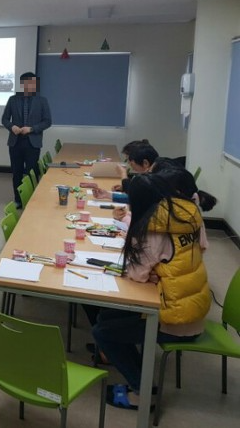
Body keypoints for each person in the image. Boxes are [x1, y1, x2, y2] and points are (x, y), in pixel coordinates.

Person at [93, 172, 210, 410]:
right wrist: (159, 272)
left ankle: (142, 392)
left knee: (102, 332)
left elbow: (137, 275)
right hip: (191, 308)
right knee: (107, 316)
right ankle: (141, 377)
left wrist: (153, 272)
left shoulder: (152, 230)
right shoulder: (185, 217)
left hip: (174, 320)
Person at [0, 72, 52, 208]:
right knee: (16, 172)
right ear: (23, 84)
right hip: (15, 142)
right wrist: (12, 127)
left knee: (31, 172)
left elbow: (47, 121)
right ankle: (18, 199)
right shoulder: (13, 99)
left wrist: (32, 129)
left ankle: (30, 200)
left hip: (33, 142)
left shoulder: (42, 100)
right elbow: (4, 119)